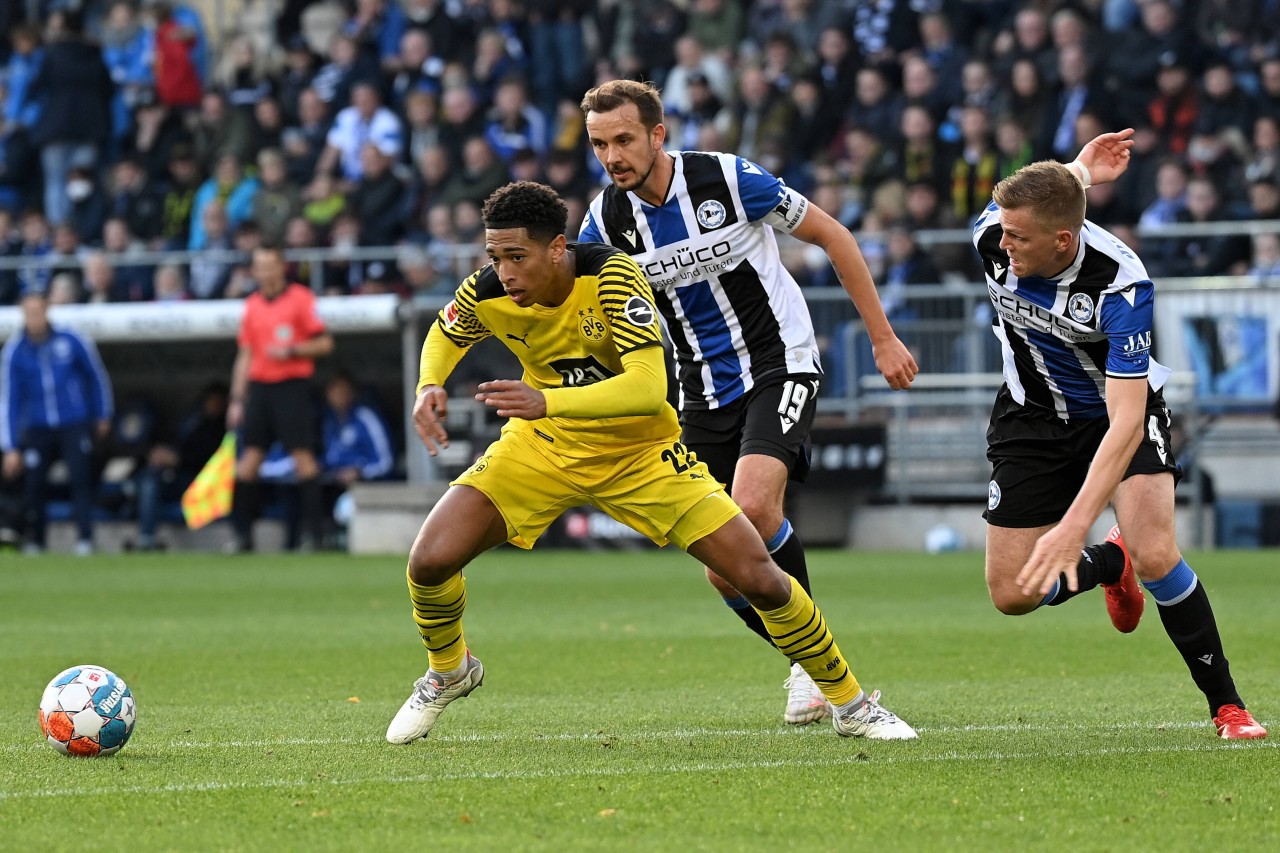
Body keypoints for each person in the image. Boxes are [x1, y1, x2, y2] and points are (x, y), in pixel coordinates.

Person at [385, 181, 916, 744]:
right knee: (429, 561)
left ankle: (852, 704)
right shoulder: (488, 290)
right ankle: (449, 671)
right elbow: (445, 332)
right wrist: (428, 386)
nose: (505, 271)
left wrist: (547, 400)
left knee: (757, 576)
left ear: (557, 249)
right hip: (542, 447)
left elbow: (646, 387)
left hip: (640, 453)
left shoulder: (613, 277)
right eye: (495, 257)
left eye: (517, 257)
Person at [577, 79, 917, 725]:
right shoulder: (606, 223)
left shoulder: (730, 180)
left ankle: (818, 675)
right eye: (599, 144)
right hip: (699, 391)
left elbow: (836, 237)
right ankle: (810, 666)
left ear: (658, 134)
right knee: (723, 571)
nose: (612, 155)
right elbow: (600, 320)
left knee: (755, 507)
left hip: (779, 362)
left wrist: (882, 337)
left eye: (623, 139)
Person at [972, 128, 1266, 740]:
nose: (1003, 245)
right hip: (1029, 416)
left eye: (1018, 237)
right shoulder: (994, 235)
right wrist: (1077, 169)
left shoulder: (1121, 285)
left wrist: (1074, 525)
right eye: (1002, 230)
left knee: (1159, 554)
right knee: (1011, 594)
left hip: (1115, 416)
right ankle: (1111, 562)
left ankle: (1228, 708)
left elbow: (1127, 422)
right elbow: (1043, 198)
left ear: (1063, 240)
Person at [226, 245, 334, 553]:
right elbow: (245, 354)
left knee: (303, 461)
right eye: (259, 266)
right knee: (248, 464)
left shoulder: (301, 299)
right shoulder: (252, 305)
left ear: (281, 267)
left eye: (270, 265)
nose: (265, 272)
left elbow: (325, 342)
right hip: (260, 389)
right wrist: (237, 399)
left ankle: (315, 538)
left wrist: (293, 350)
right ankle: (242, 538)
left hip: (292, 387)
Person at [0, 289, 114, 555]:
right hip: (38, 426)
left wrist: (103, 414)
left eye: (37, 312)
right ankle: (37, 541)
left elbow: (96, 377)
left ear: (47, 310)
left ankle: (85, 539)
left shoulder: (71, 339)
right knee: (35, 484)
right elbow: (10, 400)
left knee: (80, 479)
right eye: (29, 313)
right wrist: (11, 446)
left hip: (73, 421)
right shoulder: (15, 350)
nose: (34, 318)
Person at [128, 382, 229, 552]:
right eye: (211, 400)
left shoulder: (221, 429)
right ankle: (146, 538)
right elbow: (170, 442)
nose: (213, 405)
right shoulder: (191, 420)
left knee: (152, 482)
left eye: (218, 401)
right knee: (148, 479)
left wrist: (178, 459)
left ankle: (146, 536)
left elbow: (212, 460)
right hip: (173, 475)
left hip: (197, 480)